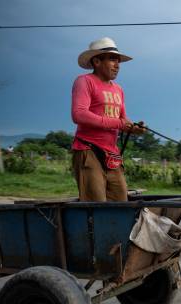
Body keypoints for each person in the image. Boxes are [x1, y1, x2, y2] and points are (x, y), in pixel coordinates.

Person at [71, 37, 144, 201]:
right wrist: (119, 123)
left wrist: (134, 128)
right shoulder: (84, 81)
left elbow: (123, 119)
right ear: (96, 61)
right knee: (96, 205)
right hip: (88, 151)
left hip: (112, 154)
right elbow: (79, 114)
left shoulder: (118, 89)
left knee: (121, 202)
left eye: (118, 61)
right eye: (112, 59)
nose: (117, 65)